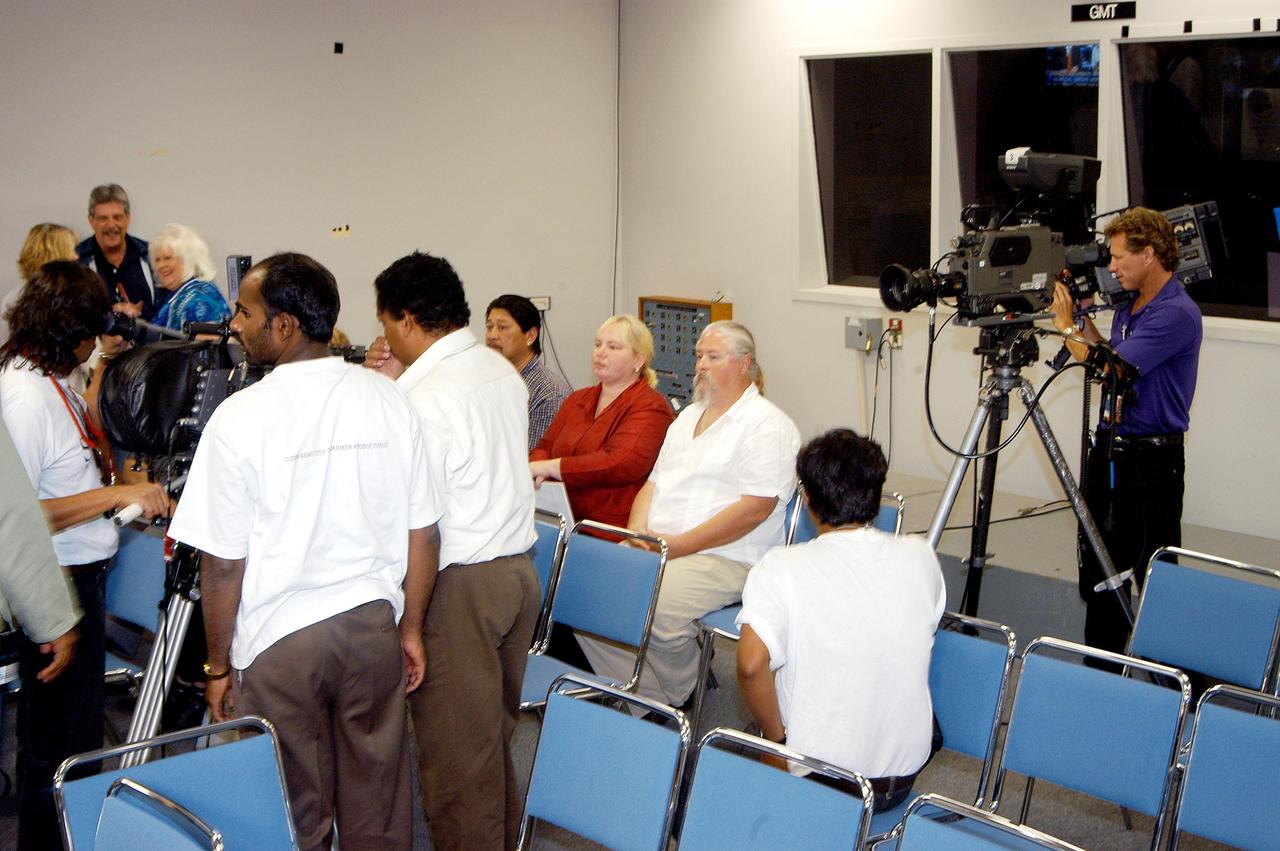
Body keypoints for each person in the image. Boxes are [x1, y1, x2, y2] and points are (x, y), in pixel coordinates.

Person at [167, 253, 440, 851]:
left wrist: (216, 666)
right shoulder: (390, 400)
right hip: (372, 629)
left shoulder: (239, 418)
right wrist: (412, 629)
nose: (234, 324)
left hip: (279, 643)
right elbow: (424, 533)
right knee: (380, 809)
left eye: (245, 312)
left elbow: (222, 564)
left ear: (285, 325)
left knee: (294, 816)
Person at [366, 253, 539, 851]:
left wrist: (408, 620)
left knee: (456, 767)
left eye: (385, 322)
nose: (383, 336)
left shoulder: (422, 398)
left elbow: (418, 523)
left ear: (407, 320)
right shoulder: (500, 373)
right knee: (490, 744)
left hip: (457, 588)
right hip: (516, 576)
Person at [0, 260, 169, 851]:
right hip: (56, 584)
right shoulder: (21, 397)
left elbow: (76, 437)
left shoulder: (50, 377)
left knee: (69, 741)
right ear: (64, 331)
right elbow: (20, 516)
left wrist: (101, 370)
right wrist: (117, 493)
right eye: (88, 335)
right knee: (57, 751)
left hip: (80, 580)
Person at [578, 320, 800, 707]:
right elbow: (653, 484)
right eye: (699, 356)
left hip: (727, 555)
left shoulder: (768, 426)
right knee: (589, 594)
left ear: (744, 364)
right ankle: (647, 695)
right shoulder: (686, 418)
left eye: (713, 357)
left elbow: (755, 509)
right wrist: (635, 532)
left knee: (654, 609)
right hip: (664, 545)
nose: (700, 365)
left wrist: (679, 545)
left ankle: (681, 691)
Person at [736, 429, 944, 812]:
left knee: (735, 754)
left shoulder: (780, 567)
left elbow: (750, 666)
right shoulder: (920, 555)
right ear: (876, 496)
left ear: (808, 499)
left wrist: (776, 743)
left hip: (825, 787)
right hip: (898, 782)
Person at [1050, 206, 1202, 657]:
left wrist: (1063, 328)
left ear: (1149, 254)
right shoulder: (1130, 306)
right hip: (1112, 456)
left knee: (1155, 583)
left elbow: (1112, 368)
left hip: (1151, 466)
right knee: (1101, 577)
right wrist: (1079, 321)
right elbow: (1109, 349)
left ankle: (1172, 687)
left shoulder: (1176, 313)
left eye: (1118, 258)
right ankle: (1103, 676)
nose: (1111, 267)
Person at [529, 314, 674, 527]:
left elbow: (618, 463)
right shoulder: (578, 398)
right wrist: (538, 468)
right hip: (557, 519)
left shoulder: (651, 407)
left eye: (613, 347)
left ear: (638, 359)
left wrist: (551, 468)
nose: (601, 353)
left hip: (608, 530)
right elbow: (544, 446)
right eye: (598, 344)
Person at [485, 294, 571, 448]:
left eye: (502, 327)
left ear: (530, 336)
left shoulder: (548, 393)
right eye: (489, 327)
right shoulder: (490, 382)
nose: (492, 336)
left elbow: (533, 460)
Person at [76, 183, 167, 320]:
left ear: (128, 218)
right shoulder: (77, 262)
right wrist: (111, 313)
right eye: (103, 218)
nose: (111, 225)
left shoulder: (151, 254)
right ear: (91, 220)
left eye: (117, 217)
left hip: (153, 341)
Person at [2, 223, 78, 345]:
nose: (76, 257)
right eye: (72, 250)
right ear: (55, 255)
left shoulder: (76, 296)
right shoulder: (15, 300)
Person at [148, 223, 231, 332]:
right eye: (157, 260)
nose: (161, 265)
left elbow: (208, 345)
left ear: (187, 260)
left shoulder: (200, 299)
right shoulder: (180, 293)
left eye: (168, 258)